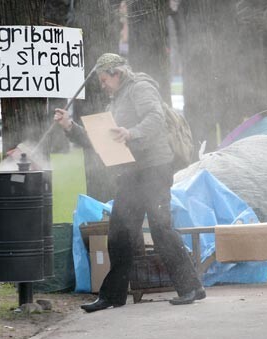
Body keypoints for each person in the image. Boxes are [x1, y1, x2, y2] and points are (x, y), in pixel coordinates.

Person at [54, 53, 205, 313]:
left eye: (104, 80)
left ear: (117, 73)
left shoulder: (141, 87)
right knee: (120, 233)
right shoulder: (118, 100)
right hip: (133, 174)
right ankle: (113, 296)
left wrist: (131, 132)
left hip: (154, 170)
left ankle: (191, 287)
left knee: (161, 229)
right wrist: (70, 127)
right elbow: (102, 141)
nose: (102, 85)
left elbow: (155, 119)